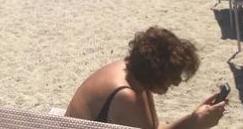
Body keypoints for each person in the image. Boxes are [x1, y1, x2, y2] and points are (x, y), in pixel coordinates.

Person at [65, 26, 226, 127]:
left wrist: (195, 118)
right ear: (155, 73)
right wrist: (195, 125)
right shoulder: (125, 96)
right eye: (172, 77)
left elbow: (153, 127)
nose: (176, 83)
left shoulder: (132, 75)